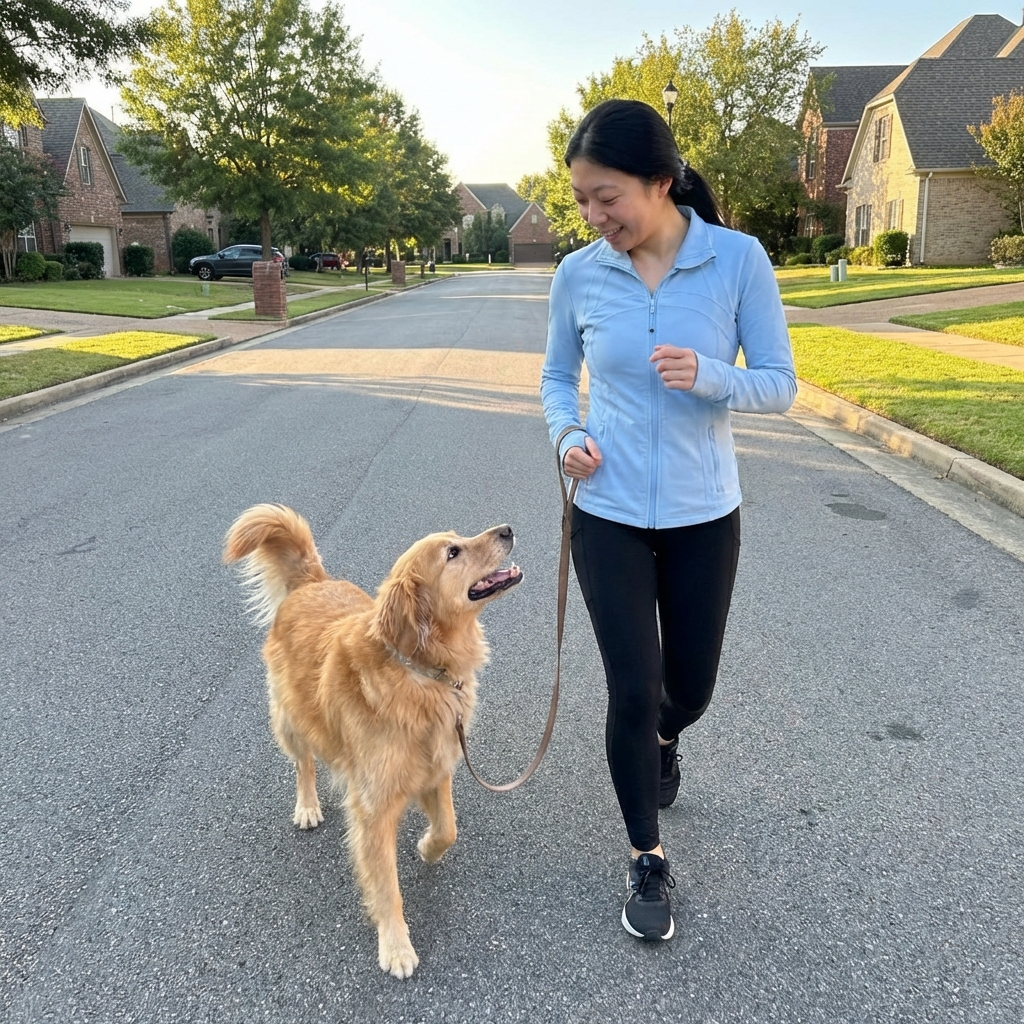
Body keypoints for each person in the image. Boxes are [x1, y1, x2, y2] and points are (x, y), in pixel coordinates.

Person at [540, 99, 796, 941]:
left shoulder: (738, 260)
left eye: (605, 196)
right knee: (632, 686)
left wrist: (712, 375)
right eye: (581, 199)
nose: (593, 216)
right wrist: (569, 433)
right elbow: (554, 379)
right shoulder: (578, 273)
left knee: (687, 688)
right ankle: (646, 854)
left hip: (700, 514)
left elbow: (781, 385)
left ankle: (667, 738)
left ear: (660, 181)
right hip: (606, 513)